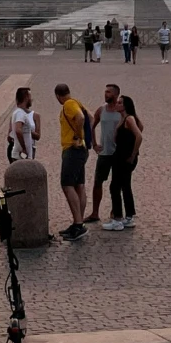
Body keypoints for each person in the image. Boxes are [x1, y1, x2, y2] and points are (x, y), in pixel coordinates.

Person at [55, 83, 92, 239]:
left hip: (72, 149)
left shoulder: (69, 104)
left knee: (67, 184)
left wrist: (78, 135)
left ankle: (78, 224)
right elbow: (91, 117)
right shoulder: (77, 101)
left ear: (58, 95)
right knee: (79, 185)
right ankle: (79, 222)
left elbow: (82, 117)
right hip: (81, 149)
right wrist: (86, 138)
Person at [103, 94, 143, 230]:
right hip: (120, 156)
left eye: (120, 103)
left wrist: (133, 154)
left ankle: (118, 218)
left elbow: (139, 135)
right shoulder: (123, 119)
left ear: (125, 106)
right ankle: (129, 216)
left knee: (115, 187)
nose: (117, 104)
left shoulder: (129, 119)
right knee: (125, 186)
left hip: (124, 158)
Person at [89, 85, 124, 226]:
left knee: (117, 184)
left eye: (108, 92)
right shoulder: (101, 110)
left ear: (115, 95)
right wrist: (94, 143)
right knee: (98, 182)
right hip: (104, 153)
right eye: (105, 91)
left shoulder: (121, 111)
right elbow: (92, 125)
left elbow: (136, 125)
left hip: (117, 153)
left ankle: (115, 211)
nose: (105, 94)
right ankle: (95, 212)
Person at [8, 86, 40, 162]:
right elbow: (18, 130)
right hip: (21, 156)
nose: (31, 99)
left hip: (21, 155)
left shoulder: (17, 112)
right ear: (26, 97)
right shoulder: (20, 113)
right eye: (30, 97)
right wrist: (24, 148)